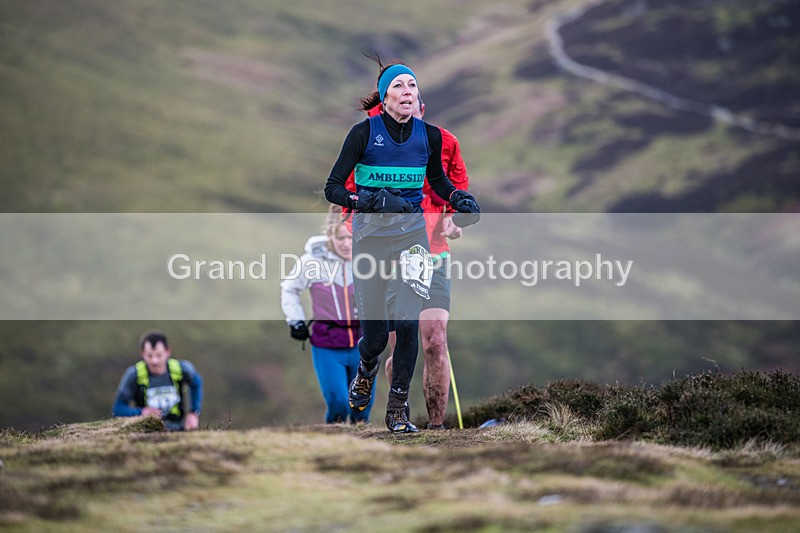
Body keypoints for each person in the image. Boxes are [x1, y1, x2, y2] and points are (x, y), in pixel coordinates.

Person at [324, 57, 480, 433]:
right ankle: (366, 368)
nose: (408, 91)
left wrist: (458, 199)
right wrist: (369, 202)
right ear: (384, 96)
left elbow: (438, 182)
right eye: (399, 86)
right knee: (376, 338)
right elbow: (333, 187)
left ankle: (397, 412)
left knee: (409, 324)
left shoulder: (429, 136)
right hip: (370, 239)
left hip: (412, 239)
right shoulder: (363, 134)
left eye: (412, 85)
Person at [383, 95, 468, 430]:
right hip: (394, 257)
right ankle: (399, 413)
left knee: (435, 339)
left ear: (421, 110)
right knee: (403, 343)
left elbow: (458, 191)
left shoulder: (445, 143)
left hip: (435, 256)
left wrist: (454, 219)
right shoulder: (378, 147)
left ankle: (436, 427)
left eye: (412, 108)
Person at [280, 206, 373, 423]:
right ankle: (331, 444)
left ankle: (362, 453)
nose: (347, 244)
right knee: (339, 404)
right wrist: (296, 321)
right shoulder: (312, 261)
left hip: (364, 344)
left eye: (351, 237)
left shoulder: (368, 259)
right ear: (330, 235)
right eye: (341, 238)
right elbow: (289, 288)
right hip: (328, 344)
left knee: (361, 411)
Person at [112, 330, 203, 431]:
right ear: (142, 354)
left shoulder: (182, 369)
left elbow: (197, 382)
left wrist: (193, 412)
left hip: (178, 428)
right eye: (150, 356)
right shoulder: (134, 375)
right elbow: (118, 408)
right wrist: (142, 413)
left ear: (168, 352)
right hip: (146, 432)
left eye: (159, 355)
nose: (154, 361)